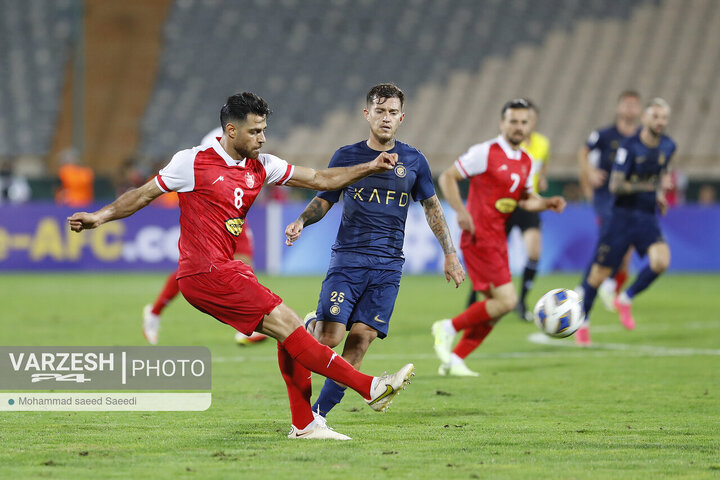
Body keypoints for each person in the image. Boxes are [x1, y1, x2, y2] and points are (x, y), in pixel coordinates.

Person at [68, 92, 415, 440]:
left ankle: (305, 424)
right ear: (231, 131)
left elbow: (321, 180)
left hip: (227, 269)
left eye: (264, 130)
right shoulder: (192, 162)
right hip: (205, 273)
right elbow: (142, 194)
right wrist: (100, 216)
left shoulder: (262, 165)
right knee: (292, 325)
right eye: (254, 132)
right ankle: (369, 388)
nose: (262, 138)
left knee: (289, 333)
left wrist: (370, 166)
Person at [284, 83, 465, 417]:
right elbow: (325, 198)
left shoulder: (414, 161)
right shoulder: (346, 156)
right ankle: (313, 326)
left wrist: (450, 253)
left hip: (388, 266)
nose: (386, 118)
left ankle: (318, 415)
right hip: (348, 260)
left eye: (392, 112)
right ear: (367, 114)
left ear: (402, 118)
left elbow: (432, 207)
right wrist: (301, 221)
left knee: (362, 339)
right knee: (329, 339)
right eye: (380, 111)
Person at [432, 98, 566, 376]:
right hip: (479, 237)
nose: (518, 127)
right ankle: (447, 327)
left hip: (498, 240)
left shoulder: (527, 160)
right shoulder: (485, 152)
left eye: (523, 122)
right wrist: (459, 210)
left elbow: (525, 200)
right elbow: (447, 177)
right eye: (513, 121)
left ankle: (456, 359)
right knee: (507, 301)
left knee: (497, 308)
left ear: (530, 126)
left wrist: (546, 203)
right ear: (502, 123)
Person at [142, 130, 267, 347]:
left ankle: (248, 325)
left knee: (245, 265)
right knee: (196, 270)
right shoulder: (217, 137)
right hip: (210, 214)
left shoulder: (248, 135)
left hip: (236, 213)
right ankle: (154, 313)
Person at [576, 98, 675, 342]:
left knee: (661, 262)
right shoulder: (628, 146)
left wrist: (660, 194)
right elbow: (616, 184)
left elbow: (660, 173)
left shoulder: (669, 145)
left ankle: (626, 297)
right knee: (598, 275)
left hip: (646, 216)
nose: (660, 122)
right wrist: (653, 186)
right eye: (655, 117)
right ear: (645, 118)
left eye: (663, 117)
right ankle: (583, 322)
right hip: (620, 217)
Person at [472, 99, 550, 322]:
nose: (523, 124)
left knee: (534, 252)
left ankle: (523, 302)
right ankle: (474, 298)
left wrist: (541, 179)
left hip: (527, 203)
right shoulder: (505, 145)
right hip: (503, 205)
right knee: (490, 256)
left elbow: (541, 168)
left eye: (528, 120)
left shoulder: (543, 144)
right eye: (517, 120)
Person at [577, 91, 642, 324]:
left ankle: (600, 283)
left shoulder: (643, 137)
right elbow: (582, 154)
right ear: (619, 108)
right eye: (627, 104)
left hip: (631, 199)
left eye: (635, 105)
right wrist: (591, 172)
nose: (631, 108)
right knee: (613, 240)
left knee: (623, 246)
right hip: (606, 198)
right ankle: (596, 285)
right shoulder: (604, 135)